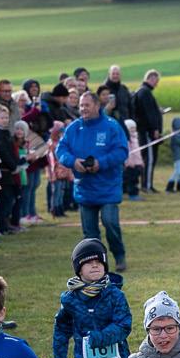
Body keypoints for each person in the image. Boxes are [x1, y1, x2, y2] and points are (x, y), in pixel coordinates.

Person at [55, 89, 129, 272]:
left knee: (110, 222)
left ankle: (119, 255)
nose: (83, 108)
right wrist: (74, 162)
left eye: (87, 105)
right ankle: (97, 265)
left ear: (97, 105)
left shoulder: (112, 126)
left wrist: (100, 163)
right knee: (90, 233)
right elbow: (61, 150)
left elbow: (122, 151)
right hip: (84, 187)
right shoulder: (74, 128)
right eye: (81, 105)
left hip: (108, 186)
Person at [132, 70, 163, 192]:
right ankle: (147, 185)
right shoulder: (145, 92)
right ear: (152, 79)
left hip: (144, 130)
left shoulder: (143, 91)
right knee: (149, 159)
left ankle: (147, 184)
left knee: (148, 158)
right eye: (156, 81)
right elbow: (148, 113)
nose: (156, 84)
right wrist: (154, 129)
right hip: (146, 131)